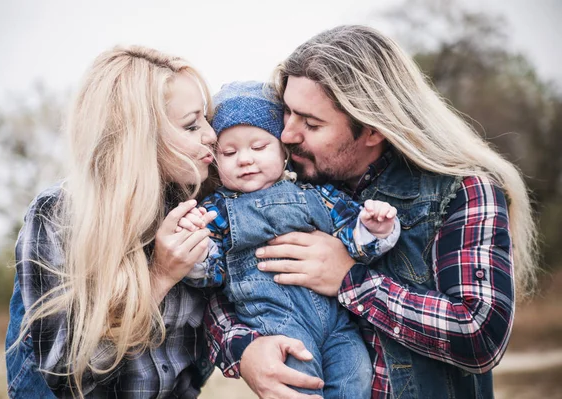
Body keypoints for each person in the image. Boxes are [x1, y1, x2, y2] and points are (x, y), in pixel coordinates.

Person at [205, 25, 539, 399]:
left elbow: (479, 336)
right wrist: (244, 349)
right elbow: (226, 282)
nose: (287, 135)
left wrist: (349, 280)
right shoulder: (285, 185)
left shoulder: (462, 190)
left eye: (311, 123)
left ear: (372, 130)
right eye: (288, 114)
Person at [5, 45, 219, 398]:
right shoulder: (59, 216)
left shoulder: (197, 203)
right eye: (192, 125)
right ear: (139, 138)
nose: (211, 134)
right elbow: (67, 376)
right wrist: (160, 276)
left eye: (206, 120)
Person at [181, 81, 400, 398]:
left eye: (259, 147)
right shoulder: (216, 212)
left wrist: (375, 227)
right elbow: (209, 275)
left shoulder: (317, 194)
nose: (244, 159)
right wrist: (195, 247)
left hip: (338, 324)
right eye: (229, 152)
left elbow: (356, 240)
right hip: (278, 325)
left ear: (284, 152)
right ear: (215, 160)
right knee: (299, 387)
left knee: (356, 378)